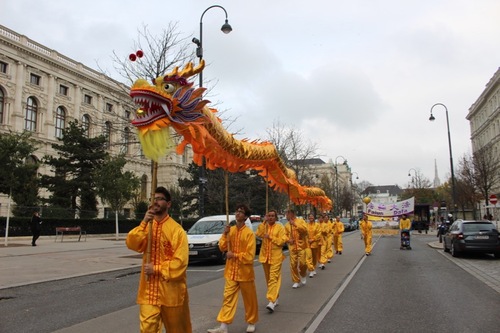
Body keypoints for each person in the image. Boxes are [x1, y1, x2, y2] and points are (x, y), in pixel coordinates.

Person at [126, 186, 192, 333]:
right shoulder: (147, 226)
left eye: (160, 199)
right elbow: (132, 243)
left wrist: (156, 269)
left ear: (168, 204)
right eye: (153, 199)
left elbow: (180, 264)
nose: (155, 202)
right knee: (147, 328)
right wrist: (143, 223)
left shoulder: (177, 231)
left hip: (171, 293)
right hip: (149, 291)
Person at [208, 204, 258, 333]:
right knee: (228, 297)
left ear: (246, 216)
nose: (237, 213)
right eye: (237, 211)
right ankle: (223, 326)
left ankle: (251, 321)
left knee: (249, 299)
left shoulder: (249, 234)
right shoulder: (231, 230)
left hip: (245, 273)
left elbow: (250, 256)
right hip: (231, 271)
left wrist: (234, 255)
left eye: (241, 212)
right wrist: (224, 234)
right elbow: (222, 247)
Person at [255, 209, 287, 313]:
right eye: (269, 216)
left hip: (276, 257)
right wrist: (263, 222)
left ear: (276, 217)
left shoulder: (280, 227)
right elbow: (258, 233)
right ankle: (275, 297)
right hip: (265, 257)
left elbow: (282, 241)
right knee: (269, 279)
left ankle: (271, 301)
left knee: (273, 278)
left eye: (273, 216)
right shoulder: (264, 227)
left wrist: (271, 237)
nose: (271, 217)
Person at [284, 209, 308, 289]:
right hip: (292, 247)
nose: (286, 216)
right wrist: (288, 240)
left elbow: (305, 230)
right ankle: (296, 280)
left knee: (303, 263)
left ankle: (303, 274)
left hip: (301, 246)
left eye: (287, 214)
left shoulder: (300, 221)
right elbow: (284, 235)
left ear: (292, 213)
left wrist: (294, 224)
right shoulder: (287, 225)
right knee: (293, 265)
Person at [305, 213, 321, 278]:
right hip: (307, 243)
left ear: (314, 218)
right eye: (309, 217)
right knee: (308, 257)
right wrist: (307, 239)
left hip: (314, 243)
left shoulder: (317, 225)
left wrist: (313, 239)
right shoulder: (306, 225)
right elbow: (304, 233)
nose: (311, 218)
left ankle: (313, 267)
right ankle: (311, 270)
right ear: (308, 218)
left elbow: (319, 233)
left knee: (314, 257)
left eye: (312, 217)